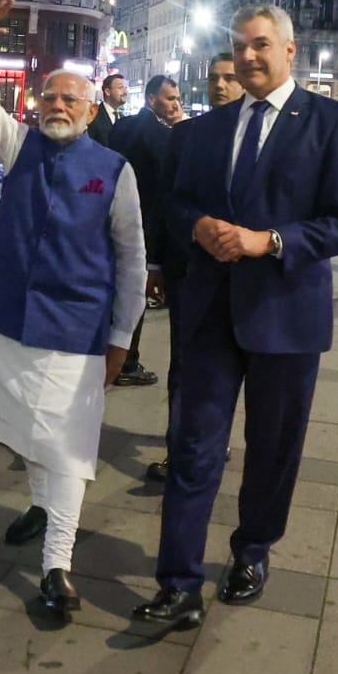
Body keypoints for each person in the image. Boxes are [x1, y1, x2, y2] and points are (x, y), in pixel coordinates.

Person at [0, 0, 145, 621]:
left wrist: (123, 336)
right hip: (8, 317)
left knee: (67, 442)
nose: (59, 104)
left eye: (72, 98)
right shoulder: (21, 145)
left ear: (92, 111)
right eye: (51, 96)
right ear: (38, 105)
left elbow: (132, 260)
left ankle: (57, 565)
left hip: (75, 327)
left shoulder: (114, 170)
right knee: (34, 432)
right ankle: (41, 506)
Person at [133, 4, 338, 628]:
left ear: (291, 50)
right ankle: (179, 584)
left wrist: (271, 241)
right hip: (209, 314)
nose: (248, 57)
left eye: (261, 45)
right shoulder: (201, 132)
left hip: (286, 315)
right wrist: (198, 226)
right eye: (240, 47)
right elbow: (173, 208)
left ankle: (252, 550)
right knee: (193, 448)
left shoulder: (332, 123)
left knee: (272, 449)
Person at [146, 53, 245, 483]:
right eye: (213, 79)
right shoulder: (184, 135)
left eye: (229, 78)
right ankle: (179, 450)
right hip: (189, 270)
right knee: (183, 365)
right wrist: (155, 264)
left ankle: (215, 439)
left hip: (246, 272)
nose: (219, 86)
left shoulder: (264, 136)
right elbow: (165, 202)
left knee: (235, 365)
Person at [107, 74, 183, 388]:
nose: (175, 105)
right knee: (134, 295)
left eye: (177, 99)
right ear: (152, 99)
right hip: (145, 226)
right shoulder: (163, 137)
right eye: (170, 99)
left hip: (111, 219)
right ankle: (127, 360)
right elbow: (169, 189)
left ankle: (112, 353)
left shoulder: (121, 127)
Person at [86, 72, 128, 144]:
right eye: (120, 88)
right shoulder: (94, 116)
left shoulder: (124, 119)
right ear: (107, 91)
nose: (125, 92)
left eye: (126, 88)